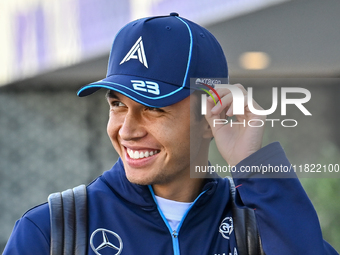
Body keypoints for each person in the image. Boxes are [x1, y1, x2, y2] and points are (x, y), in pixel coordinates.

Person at [3, 12, 338, 255]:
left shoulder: (260, 225)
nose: (128, 130)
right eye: (118, 105)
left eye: (153, 108)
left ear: (209, 116)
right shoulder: (52, 231)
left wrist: (253, 164)